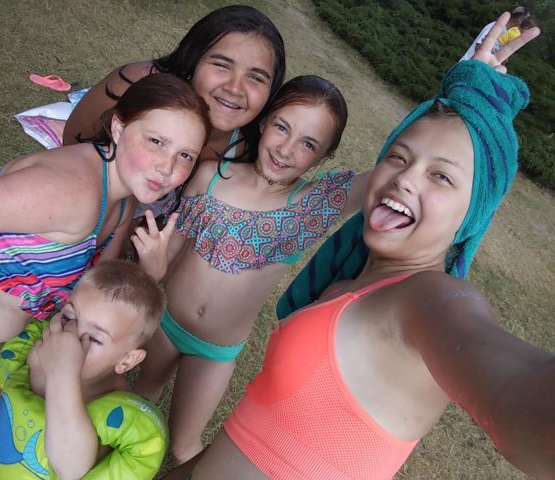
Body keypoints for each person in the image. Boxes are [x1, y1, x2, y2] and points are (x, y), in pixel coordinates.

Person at [163, 14, 554, 480]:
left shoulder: (428, 300)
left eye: (442, 176)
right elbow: (259, 428)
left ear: (475, 212)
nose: (406, 178)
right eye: (399, 157)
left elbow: (518, 391)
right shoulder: (349, 277)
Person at [0, 73, 210, 460]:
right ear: (119, 128)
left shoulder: (120, 201)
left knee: (79, 424)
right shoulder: (69, 189)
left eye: (185, 155)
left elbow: (96, 297)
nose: (167, 167)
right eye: (156, 141)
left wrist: (150, 274)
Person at [132, 74, 371, 465]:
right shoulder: (210, 176)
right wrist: (151, 270)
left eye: (308, 144)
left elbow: (393, 173)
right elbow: (170, 251)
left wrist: (463, 91)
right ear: (264, 121)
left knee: (183, 448)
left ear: (324, 157)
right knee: (138, 399)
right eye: (282, 127)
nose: (286, 149)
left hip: (215, 352)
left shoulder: (308, 207)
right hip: (165, 322)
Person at [0, 260, 168, 480]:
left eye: (95, 338)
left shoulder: (109, 405)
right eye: (69, 317)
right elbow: (14, 389)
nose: (70, 336)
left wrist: (62, 375)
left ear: (127, 361)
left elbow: (70, 470)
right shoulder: (40, 353)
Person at [64, 5, 285, 165]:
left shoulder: (251, 150)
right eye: (222, 65)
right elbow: (71, 144)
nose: (235, 88)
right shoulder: (135, 87)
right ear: (194, 60)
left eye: (256, 78)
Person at [460, 6, 530, 61]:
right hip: (468, 62)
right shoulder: (495, 26)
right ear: (520, 19)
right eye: (526, 20)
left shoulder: (511, 35)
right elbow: (478, 46)